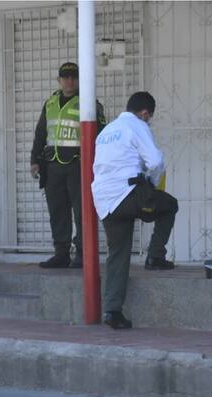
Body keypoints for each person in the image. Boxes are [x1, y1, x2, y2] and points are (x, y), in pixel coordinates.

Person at [92, 91, 178, 329]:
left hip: (105, 200)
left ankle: (111, 311)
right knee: (170, 205)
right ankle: (155, 256)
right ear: (144, 113)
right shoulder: (136, 125)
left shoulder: (107, 131)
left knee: (117, 254)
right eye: (149, 117)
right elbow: (155, 161)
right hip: (130, 194)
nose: (148, 121)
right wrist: (151, 182)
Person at [30, 62, 106, 268]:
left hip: (78, 166)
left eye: (73, 77)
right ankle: (61, 253)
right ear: (59, 80)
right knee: (57, 211)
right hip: (53, 166)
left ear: (79, 80)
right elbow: (41, 134)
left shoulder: (89, 103)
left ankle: (82, 254)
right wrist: (34, 161)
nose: (69, 81)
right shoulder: (51, 103)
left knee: (82, 212)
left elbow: (100, 135)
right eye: (65, 77)